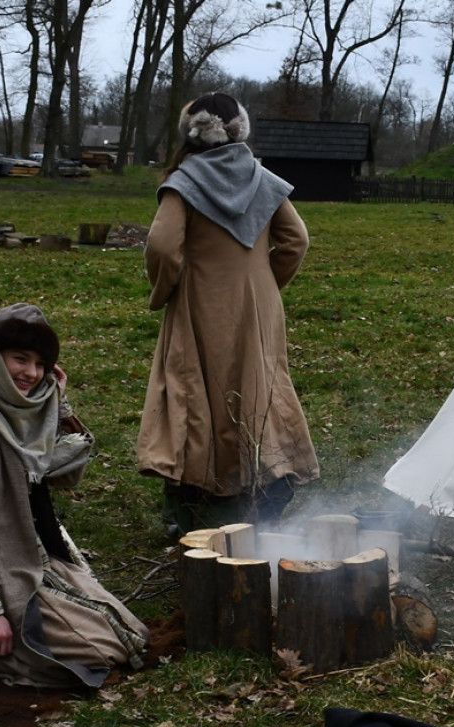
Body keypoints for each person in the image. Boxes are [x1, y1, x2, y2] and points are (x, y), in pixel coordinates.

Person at [0, 303, 149, 688]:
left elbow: (67, 474)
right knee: (105, 651)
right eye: (20, 359)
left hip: (26, 555)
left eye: (41, 364)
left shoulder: (17, 413)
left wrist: (58, 406)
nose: (31, 373)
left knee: (131, 632)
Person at [137, 92, 319, 537]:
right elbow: (297, 241)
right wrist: (263, 285)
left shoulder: (184, 182)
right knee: (258, 387)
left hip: (201, 301)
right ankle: (262, 491)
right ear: (239, 130)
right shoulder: (262, 178)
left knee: (198, 391)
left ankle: (196, 502)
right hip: (258, 305)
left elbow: (162, 247)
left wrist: (168, 289)